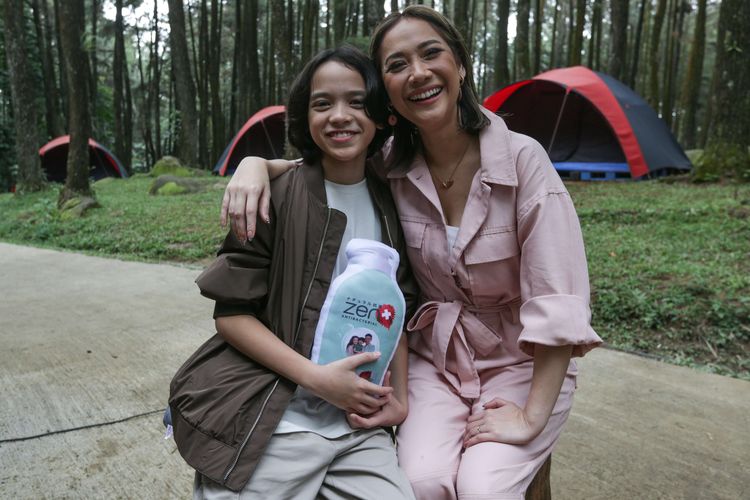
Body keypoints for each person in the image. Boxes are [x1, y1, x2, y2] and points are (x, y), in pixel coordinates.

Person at [221, 6, 602, 499]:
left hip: (520, 362)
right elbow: (328, 154)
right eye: (397, 65)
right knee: (420, 484)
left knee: (483, 489)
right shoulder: (392, 164)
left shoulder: (524, 162)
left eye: (430, 53)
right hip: (436, 362)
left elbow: (558, 301)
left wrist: (531, 419)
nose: (417, 73)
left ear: (460, 65)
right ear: (388, 93)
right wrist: (253, 163)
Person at [169, 46, 418, 499]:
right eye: (323, 103)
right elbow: (231, 314)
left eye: (358, 102)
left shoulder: (392, 204)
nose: (340, 116)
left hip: (355, 427)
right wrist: (317, 380)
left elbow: (394, 313)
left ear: (382, 115)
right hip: (274, 414)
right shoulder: (273, 195)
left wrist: (398, 399)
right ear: (304, 117)